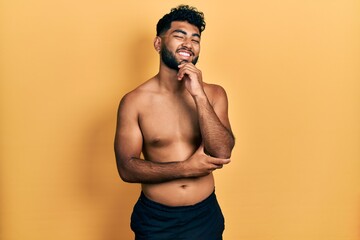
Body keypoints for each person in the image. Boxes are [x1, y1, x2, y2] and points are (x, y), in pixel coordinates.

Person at [114, 5, 235, 240]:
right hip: (156, 220)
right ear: (158, 43)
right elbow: (126, 168)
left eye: (195, 39)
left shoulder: (214, 94)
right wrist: (186, 168)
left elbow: (222, 151)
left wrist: (198, 94)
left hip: (204, 216)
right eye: (179, 35)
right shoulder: (134, 102)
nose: (188, 44)